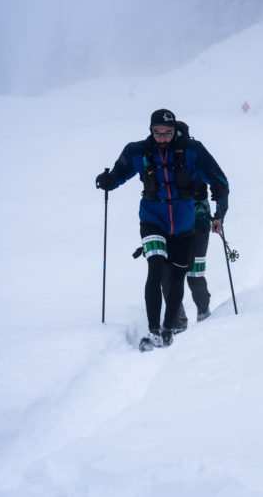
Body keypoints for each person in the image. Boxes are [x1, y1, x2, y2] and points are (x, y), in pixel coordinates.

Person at [96, 109, 229, 350]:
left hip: (183, 224)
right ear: (150, 130)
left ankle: (168, 330)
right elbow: (118, 174)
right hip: (152, 219)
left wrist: (219, 192)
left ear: (175, 131)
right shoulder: (137, 151)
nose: (162, 138)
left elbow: (219, 177)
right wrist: (108, 181)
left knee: (177, 277)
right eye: (157, 133)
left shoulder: (192, 150)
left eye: (167, 133)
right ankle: (154, 331)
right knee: (155, 268)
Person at [161, 122, 215, 333]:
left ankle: (200, 314)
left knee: (192, 273)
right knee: (174, 275)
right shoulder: (162, 158)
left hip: (196, 223)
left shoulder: (194, 156)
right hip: (176, 225)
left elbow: (214, 181)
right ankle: (180, 319)